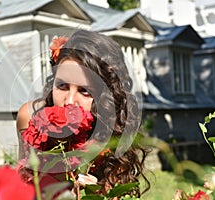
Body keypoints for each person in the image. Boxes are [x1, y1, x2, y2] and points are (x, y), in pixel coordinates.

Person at [16, 29, 150, 197]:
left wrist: (97, 194)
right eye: (62, 86)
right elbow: (21, 181)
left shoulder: (112, 137)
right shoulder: (29, 117)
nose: (70, 101)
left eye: (85, 91)